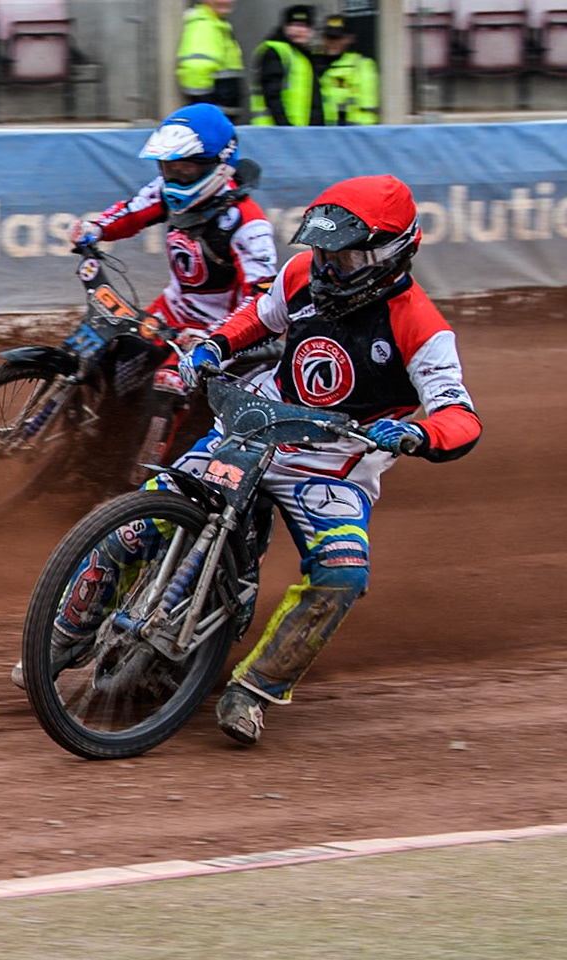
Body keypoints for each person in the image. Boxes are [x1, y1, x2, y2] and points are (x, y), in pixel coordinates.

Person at [48, 175, 481, 746]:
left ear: (390, 253)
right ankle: (57, 639)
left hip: (332, 465)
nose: (328, 266)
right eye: (321, 250)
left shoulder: (421, 328)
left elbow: (461, 416)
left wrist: (414, 435)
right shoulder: (303, 275)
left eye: (344, 256)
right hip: (255, 427)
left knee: (342, 573)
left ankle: (255, 689)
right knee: (140, 520)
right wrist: (216, 344)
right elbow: (259, 315)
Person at [65, 104, 278, 468]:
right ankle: (94, 444)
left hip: (223, 334)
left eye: (185, 168)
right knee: (105, 350)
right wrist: (95, 228)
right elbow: (131, 211)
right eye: (167, 168)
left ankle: (142, 481)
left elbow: (261, 301)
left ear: (218, 163)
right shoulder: (168, 190)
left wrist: (212, 339)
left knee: (168, 383)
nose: (174, 177)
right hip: (169, 314)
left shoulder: (248, 225)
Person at [252, 5, 323, 127]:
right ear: (285, 27)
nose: (300, 30)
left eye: (305, 26)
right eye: (295, 25)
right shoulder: (276, 50)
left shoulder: (303, 56)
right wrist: (285, 126)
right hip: (276, 131)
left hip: (297, 130)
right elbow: (272, 94)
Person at [178, 0, 245, 118]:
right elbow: (196, 69)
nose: (226, 1)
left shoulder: (217, 25)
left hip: (219, 117)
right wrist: (207, 111)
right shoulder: (204, 26)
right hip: (215, 120)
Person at [317, 16, 378, 126]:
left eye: (338, 38)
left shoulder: (361, 64)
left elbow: (367, 107)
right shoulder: (313, 62)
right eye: (329, 37)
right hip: (320, 130)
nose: (333, 42)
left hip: (351, 131)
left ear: (349, 39)